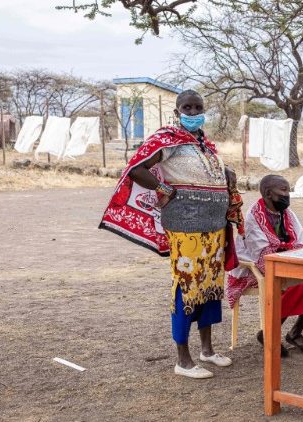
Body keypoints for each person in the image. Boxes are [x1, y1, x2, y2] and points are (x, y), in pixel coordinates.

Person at [100, 89, 244, 379]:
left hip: (213, 227)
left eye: (198, 107)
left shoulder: (204, 144)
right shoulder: (167, 138)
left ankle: (207, 350)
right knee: (188, 285)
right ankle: (183, 359)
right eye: (187, 108)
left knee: (210, 285)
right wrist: (164, 190)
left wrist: (226, 174)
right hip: (185, 225)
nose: (193, 112)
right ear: (177, 112)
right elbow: (136, 169)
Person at [226, 175, 303, 356]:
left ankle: (295, 333)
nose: (287, 194)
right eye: (283, 190)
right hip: (255, 268)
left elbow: (301, 243)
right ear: (268, 193)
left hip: (286, 261)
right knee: (298, 283)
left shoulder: (287, 214)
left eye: (288, 190)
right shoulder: (253, 217)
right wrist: (296, 267)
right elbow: (263, 256)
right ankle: (269, 333)